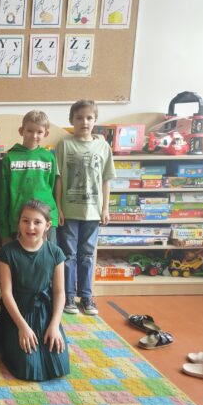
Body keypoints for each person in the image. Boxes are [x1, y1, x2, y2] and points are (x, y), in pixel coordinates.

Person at [0, 200, 70, 381]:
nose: (30, 227)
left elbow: (59, 292)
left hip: (45, 310)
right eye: (25, 221)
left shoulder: (56, 253)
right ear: (18, 222)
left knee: (58, 360)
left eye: (37, 222)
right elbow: (6, 294)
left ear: (47, 226)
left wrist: (54, 325)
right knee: (27, 366)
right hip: (17, 312)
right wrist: (22, 327)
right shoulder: (7, 253)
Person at [55, 100, 115, 316]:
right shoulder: (64, 145)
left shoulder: (103, 146)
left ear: (95, 120)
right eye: (79, 118)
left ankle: (86, 296)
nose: (84, 122)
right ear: (72, 120)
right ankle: (69, 296)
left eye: (89, 118)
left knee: (87, 255)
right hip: (69, 211)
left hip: (93, 211)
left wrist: (105, 208)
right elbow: (58, 178)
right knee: (68, 254)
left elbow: (106, 180)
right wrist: (58, 207)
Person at [0, 110, 58, 245]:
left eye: (39, 132)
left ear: (46, 134)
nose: (34, 135)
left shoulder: (49, 157)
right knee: (20, 257)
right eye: (29, 131)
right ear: (21, 131)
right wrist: (4, 231)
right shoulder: (10, 158)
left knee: (47, 255)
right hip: (18, 222)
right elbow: (3, 195)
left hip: (46, 220)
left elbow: (51, 186)